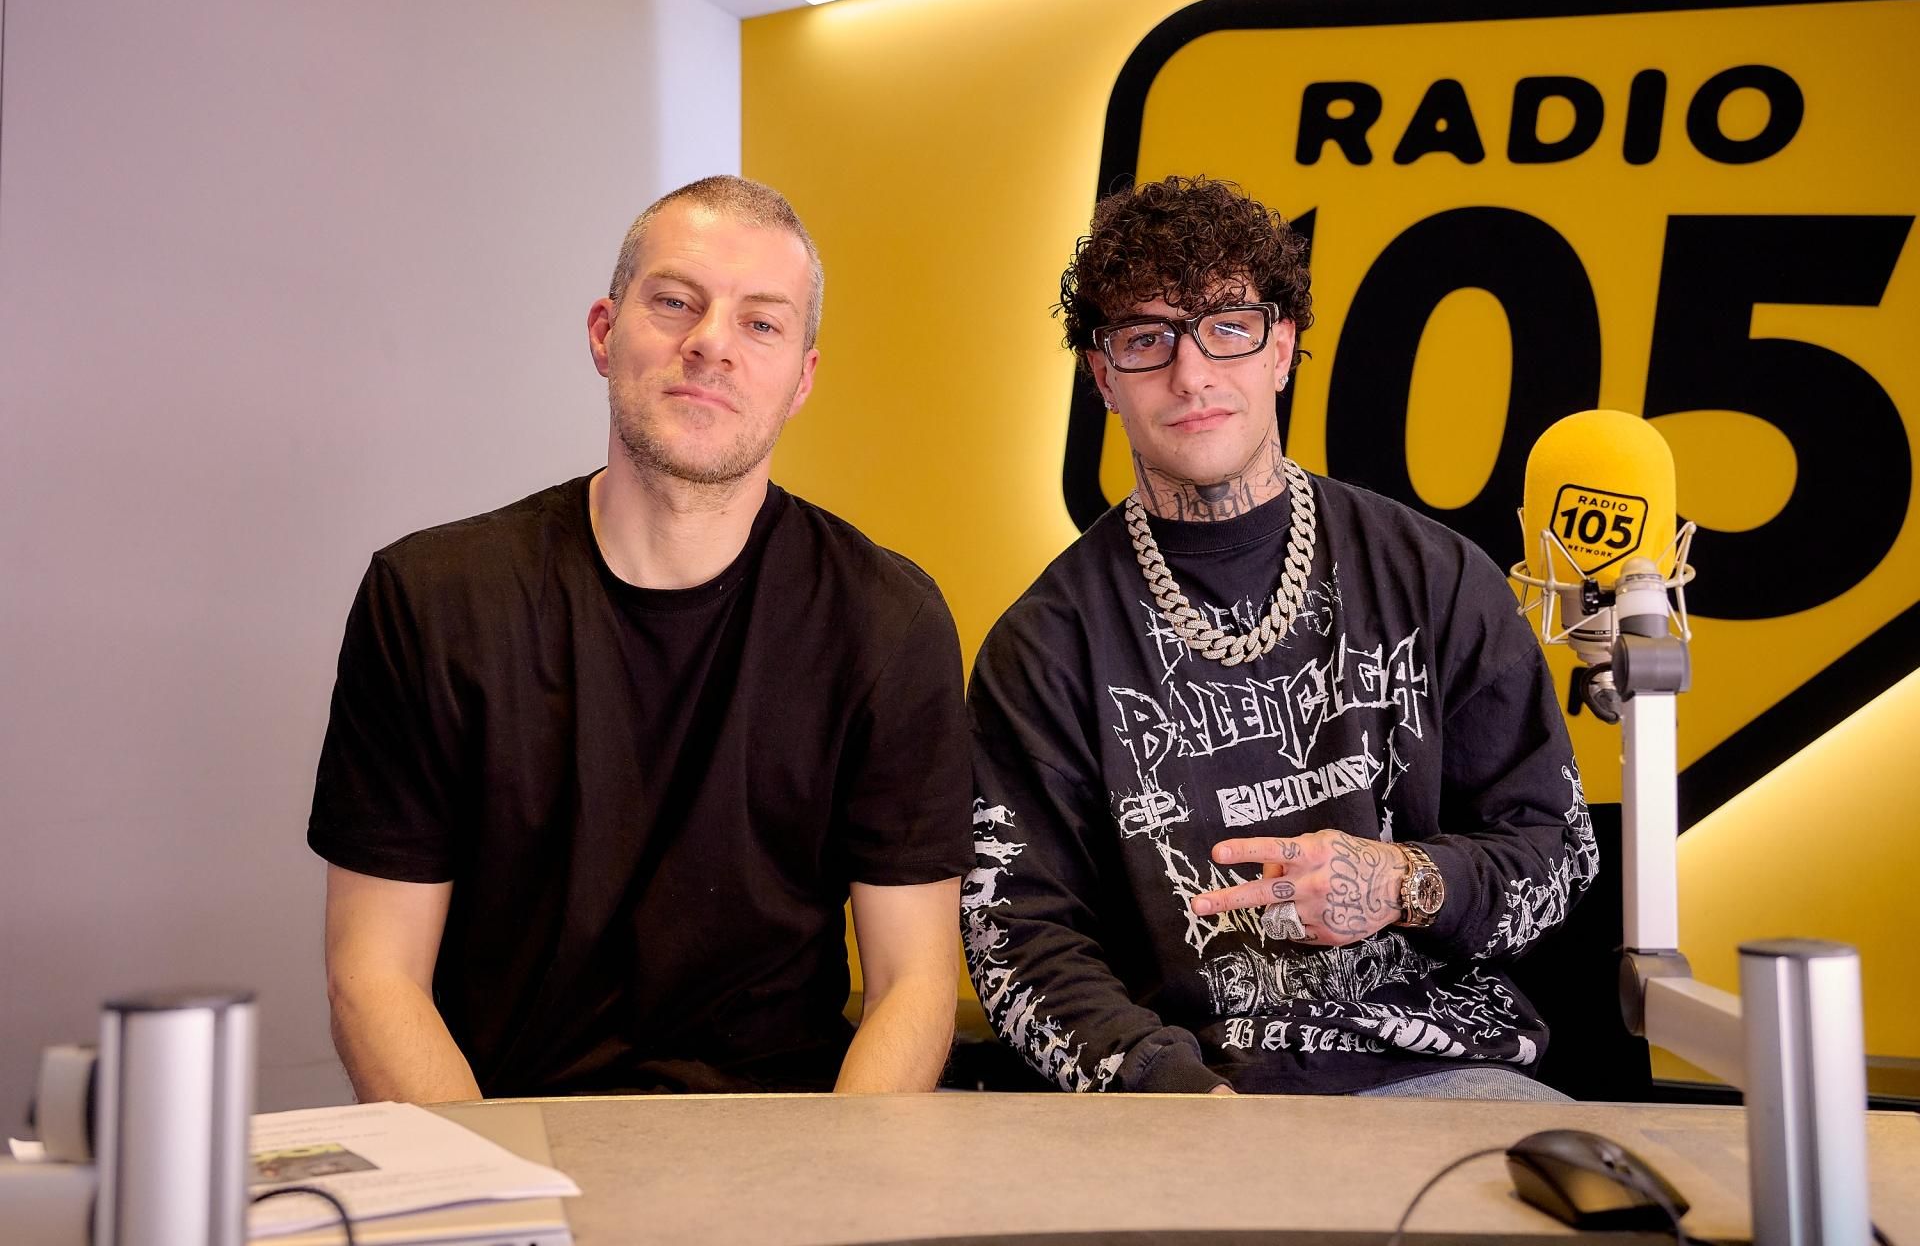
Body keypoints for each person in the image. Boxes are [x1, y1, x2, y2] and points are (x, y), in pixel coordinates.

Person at [311, 176, 970, 1101]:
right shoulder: (431, 601)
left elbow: (913, 984)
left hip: (786, 1149)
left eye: (761, 323)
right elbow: (374, 977)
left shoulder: (886, 621)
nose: (711, 343)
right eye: (674, 302)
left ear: (801, 381)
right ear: (603, 332)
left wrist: (836, 1184)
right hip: (505, 1134)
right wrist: (498, 1185)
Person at [964, 176, 1595, 1098]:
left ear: (1284, 348)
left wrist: (1403, 880)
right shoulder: (1044, 648)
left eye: (1228, 326)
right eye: (1147, 338)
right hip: (1195, 1097)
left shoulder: (1438, 578)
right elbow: (1018, 935)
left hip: (1444, 1077)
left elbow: (1558, 853)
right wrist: (1170, 1095)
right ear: (1103, 377)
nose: (1191, 374)